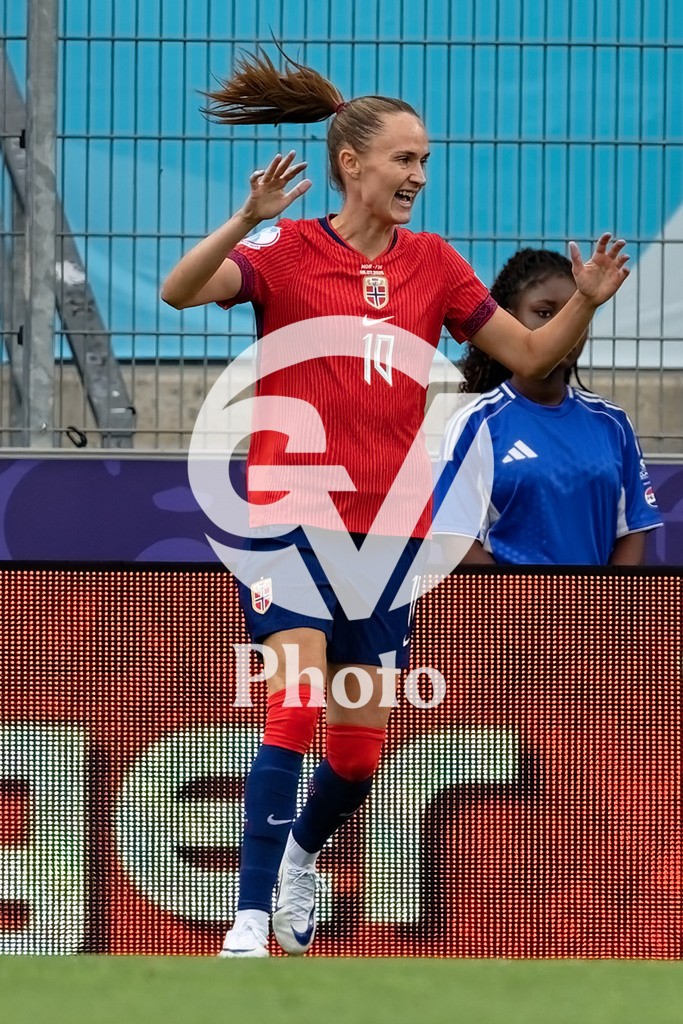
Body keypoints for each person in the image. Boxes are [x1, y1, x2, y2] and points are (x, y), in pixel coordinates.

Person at [160, 47, 631, 957]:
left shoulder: (434, 266)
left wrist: (584, 305)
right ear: (352, 164)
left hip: (389, 537)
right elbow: (180, 291)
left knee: (358, 758)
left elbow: (529, 359)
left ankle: (298, 856)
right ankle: (248, 921)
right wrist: (247, 219)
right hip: (291, 514)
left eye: (424, 160)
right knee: (292, 707)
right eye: (404, 159)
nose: (418, 175)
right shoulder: (287, 250)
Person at [433, 248, 661, 565]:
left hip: (597, 615)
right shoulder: (475, 424)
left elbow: (632, 531)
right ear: (510, 319)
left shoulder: (613, 424)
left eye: (575, 313)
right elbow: (456, 542)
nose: (563, 327)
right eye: (545, 313)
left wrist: (604, 610)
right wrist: (527, 611)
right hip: (509, 614)